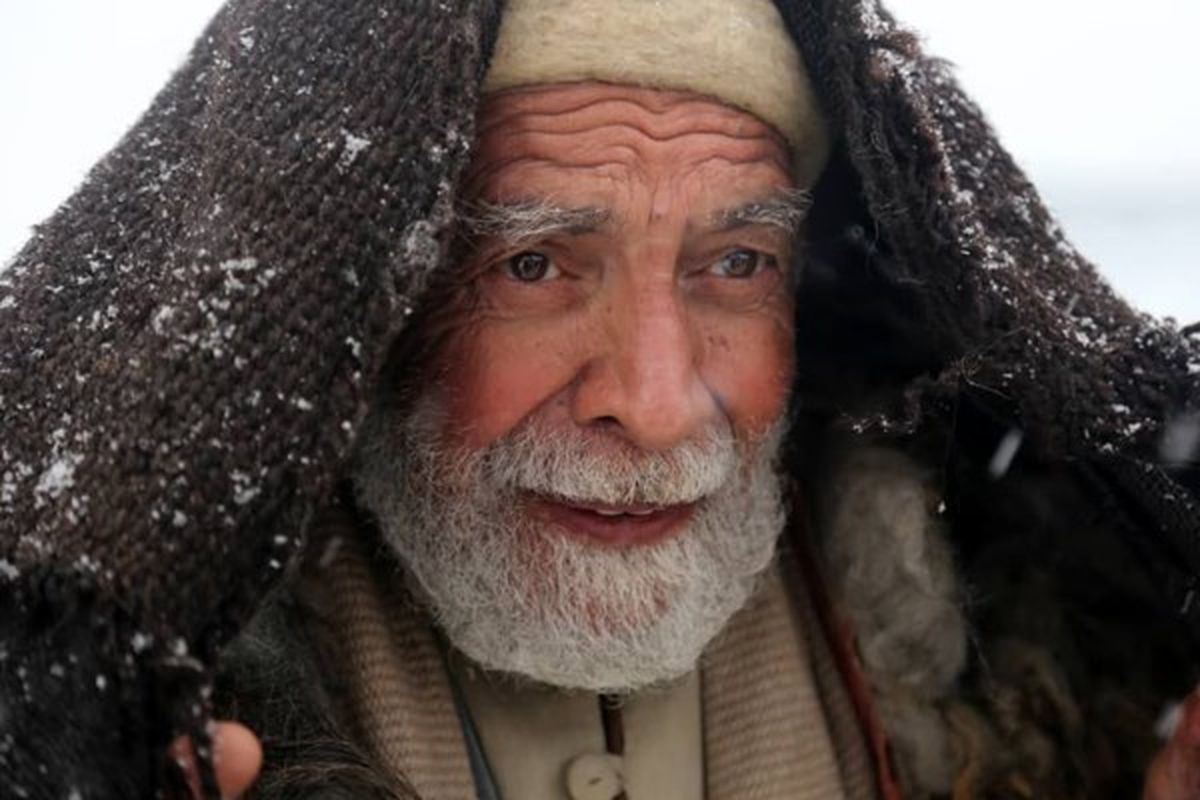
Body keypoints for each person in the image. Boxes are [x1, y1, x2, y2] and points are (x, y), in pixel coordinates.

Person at [1, 1, 1197, 798]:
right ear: (366, 297)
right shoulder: (149, 719)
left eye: (736, 263)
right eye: (533, 265)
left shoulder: (1030, 664)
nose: (659, 403)